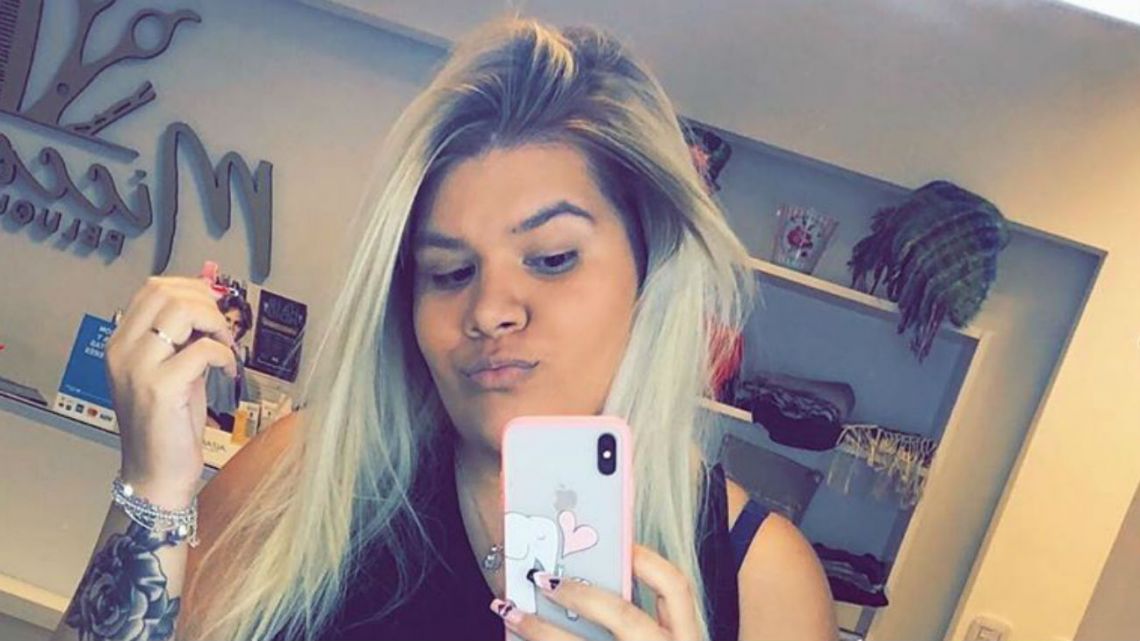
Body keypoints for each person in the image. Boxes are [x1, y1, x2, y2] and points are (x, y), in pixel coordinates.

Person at [52, 16, 836, 641]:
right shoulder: (310, 474)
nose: (490, 309)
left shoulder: (761, 579)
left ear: (649, 270)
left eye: (553, 258)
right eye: (450, 271)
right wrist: (153, 491)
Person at [204, 293, 254, 432]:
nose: (231, 327)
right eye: (227, 319)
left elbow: (244, 407)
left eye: (237, 324)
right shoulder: (205, 349)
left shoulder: (237, 361)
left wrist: (240, 437)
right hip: (205, 425)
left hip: (226, 428)